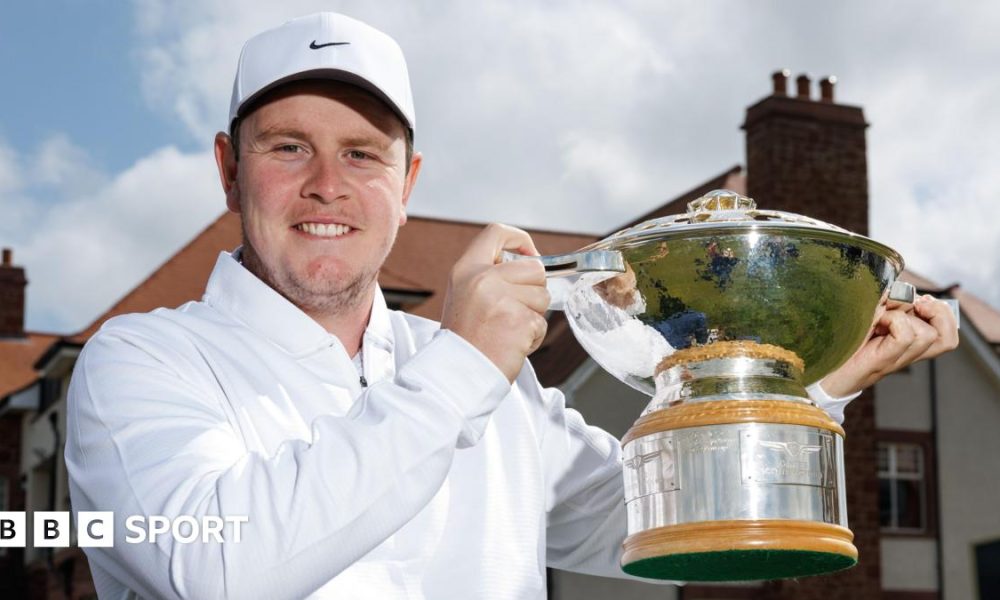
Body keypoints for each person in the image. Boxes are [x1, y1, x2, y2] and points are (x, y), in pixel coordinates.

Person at [65, 12, 959, 600]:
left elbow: (658, 525)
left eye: (364, 155)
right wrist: (463, 367)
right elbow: (217, 568)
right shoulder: (139, 363)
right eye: (288, 147)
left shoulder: (486, 381)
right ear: (229, 170)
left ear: (408, 182)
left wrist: (809, 385)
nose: (327, 185)